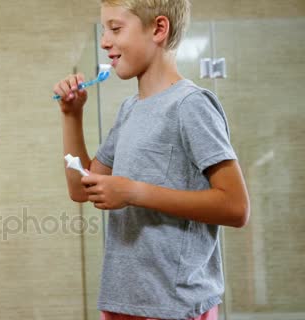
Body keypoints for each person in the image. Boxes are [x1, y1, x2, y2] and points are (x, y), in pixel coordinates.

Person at [53, 0, 250, 319]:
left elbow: (236, 207)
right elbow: (81, 188)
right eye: (104, 30)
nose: (104, 41)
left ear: (159, 29)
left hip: (174, 306)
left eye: (115, 29)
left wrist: (134, 192)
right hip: (124, 300)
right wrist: (71, 116)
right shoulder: (130, 110)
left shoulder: (190, 105)